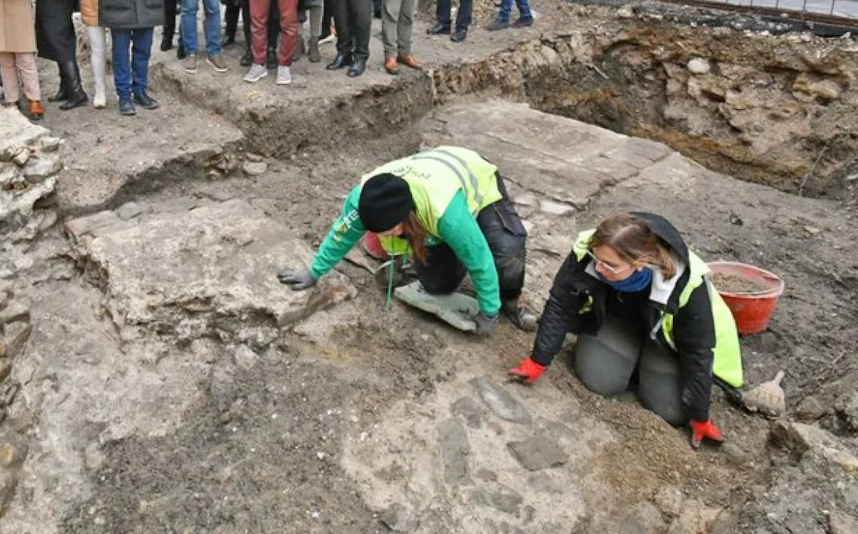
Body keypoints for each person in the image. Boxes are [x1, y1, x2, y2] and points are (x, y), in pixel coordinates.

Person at [509, 212, 743, 447]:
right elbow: (561, 304)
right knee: (600, 381)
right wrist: (538, 360)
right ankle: (631, 361)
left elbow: (698, 351)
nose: (598, 268)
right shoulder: (591, 251)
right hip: (619, 321)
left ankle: (644, 364)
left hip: (668, 343)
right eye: (596, 258)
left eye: (610, 265)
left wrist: (700, 414)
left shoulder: (687, 283)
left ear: (641, 262)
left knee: (671, 411)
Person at [279, 146, 530, 334]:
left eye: (387, 230)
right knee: (437, 285)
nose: (382, 235)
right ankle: (449, 251)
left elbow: (478, 257)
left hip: (475, 180)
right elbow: (340, 236)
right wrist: (314, 272)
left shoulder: (444, 212)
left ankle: (509, 299)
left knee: (505, 253)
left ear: (405, 216)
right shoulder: (364, 199)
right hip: (430, 184)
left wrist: (488, 311)